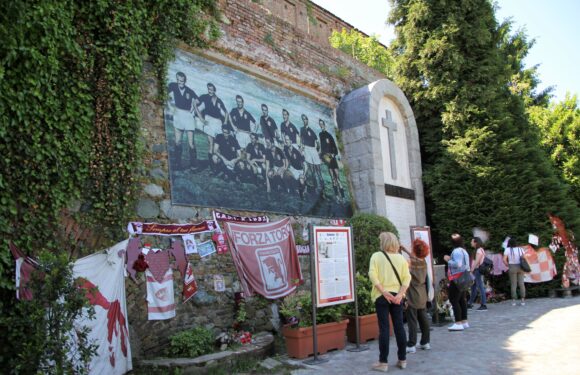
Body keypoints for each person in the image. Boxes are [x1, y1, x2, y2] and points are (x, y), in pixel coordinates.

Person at [368, 232, 411, 372]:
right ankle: (402, 359)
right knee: (399, 327)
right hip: (397, 297)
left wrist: (383, 291)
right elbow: (407, 278)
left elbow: (372, 275)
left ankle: (383, 362)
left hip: (382, 296)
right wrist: (400, 294)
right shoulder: (401, 258)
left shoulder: (376, 256)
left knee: (384, 329)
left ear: (383, 242)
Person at [166, 72, 203, 170]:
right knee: (178, 141)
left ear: (185, 80)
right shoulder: (173, 86)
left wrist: (193, 107)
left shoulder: (189, 91)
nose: (180, 82)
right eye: (178, 80)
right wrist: (169, 105)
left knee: (191, 143)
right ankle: (178, 164)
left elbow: (198, 100)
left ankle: (193, 165)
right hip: (178, 114)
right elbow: (164, 93)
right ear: (177, 79)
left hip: (188, 116)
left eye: (182, 80)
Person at [404, 239, 431, 354]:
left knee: (412, 320)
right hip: (422, 293)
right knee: (423, 318)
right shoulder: (423, 262)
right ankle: (425, 342)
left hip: (412, 293)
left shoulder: (410, 262)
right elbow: (415, 257)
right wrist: (405, 250)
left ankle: (411, 344)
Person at [443, 233, 470, 331]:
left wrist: (448, 260)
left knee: (454, 299)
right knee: (461, 299)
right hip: (464, 277)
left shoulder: (456, 251)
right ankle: (464, 321)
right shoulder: (464, 251)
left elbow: (457, 264)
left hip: (456, 277)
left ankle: (458, 322)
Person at [198, 83, 228, 159]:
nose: (210, 91)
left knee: (218, 144)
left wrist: (225, 123)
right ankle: (211, 163)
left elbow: (226, 113)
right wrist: (201, 118)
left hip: (218, 123)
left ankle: (218, 161)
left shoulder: (219, 101)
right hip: (209, 121)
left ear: (214, 90)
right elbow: (197, 107)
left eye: (211, 89)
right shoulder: (205, 97)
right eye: (208, 89)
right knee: (211, 143)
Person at [318, 119, 345, 202]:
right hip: (326, 158)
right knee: (333, 178)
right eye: (320, 124)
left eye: (322, 124)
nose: (321, 125)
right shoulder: (320, 134)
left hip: (332, 158)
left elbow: (335, 149)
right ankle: (337, 196)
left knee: (337, 178)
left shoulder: (329, 135)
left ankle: (343, 197)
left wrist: (333, 154)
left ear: (324, 125)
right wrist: (321, 156)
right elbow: (322, 148)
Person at [299, 114, 324, 193]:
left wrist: (318, 151)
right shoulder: (302, 129)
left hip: (313, 150)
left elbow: (317, 142)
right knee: (312, 170)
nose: (304, 121)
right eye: (303, 119)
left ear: (307, 120)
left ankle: (323, 187)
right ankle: (315, 187)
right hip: (307, 149)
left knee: (318, 170)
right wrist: (302, 149)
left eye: (305, 119)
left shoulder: (311, 130)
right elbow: (301, 140)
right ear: (302, 121)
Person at [503, 238, 526, 306]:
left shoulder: (507, 249)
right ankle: (522, 300)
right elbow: (524, 258)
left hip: (512, 266)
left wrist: (508, 265)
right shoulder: (520, 249)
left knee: (513, 284)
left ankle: (513, 301)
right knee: (521, 283)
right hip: (520, 267)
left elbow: (504, 260)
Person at [468, 237, 488, 311]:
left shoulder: (479, 250)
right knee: (473, 287)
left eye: (472, 241)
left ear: (476, 242)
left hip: (477, 270)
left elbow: (477, 261)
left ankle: (484, 304)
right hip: (476, 270)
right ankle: (469, 303)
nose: (471, 243)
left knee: (480, 287)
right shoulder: (480, 250)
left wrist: (471, 269)